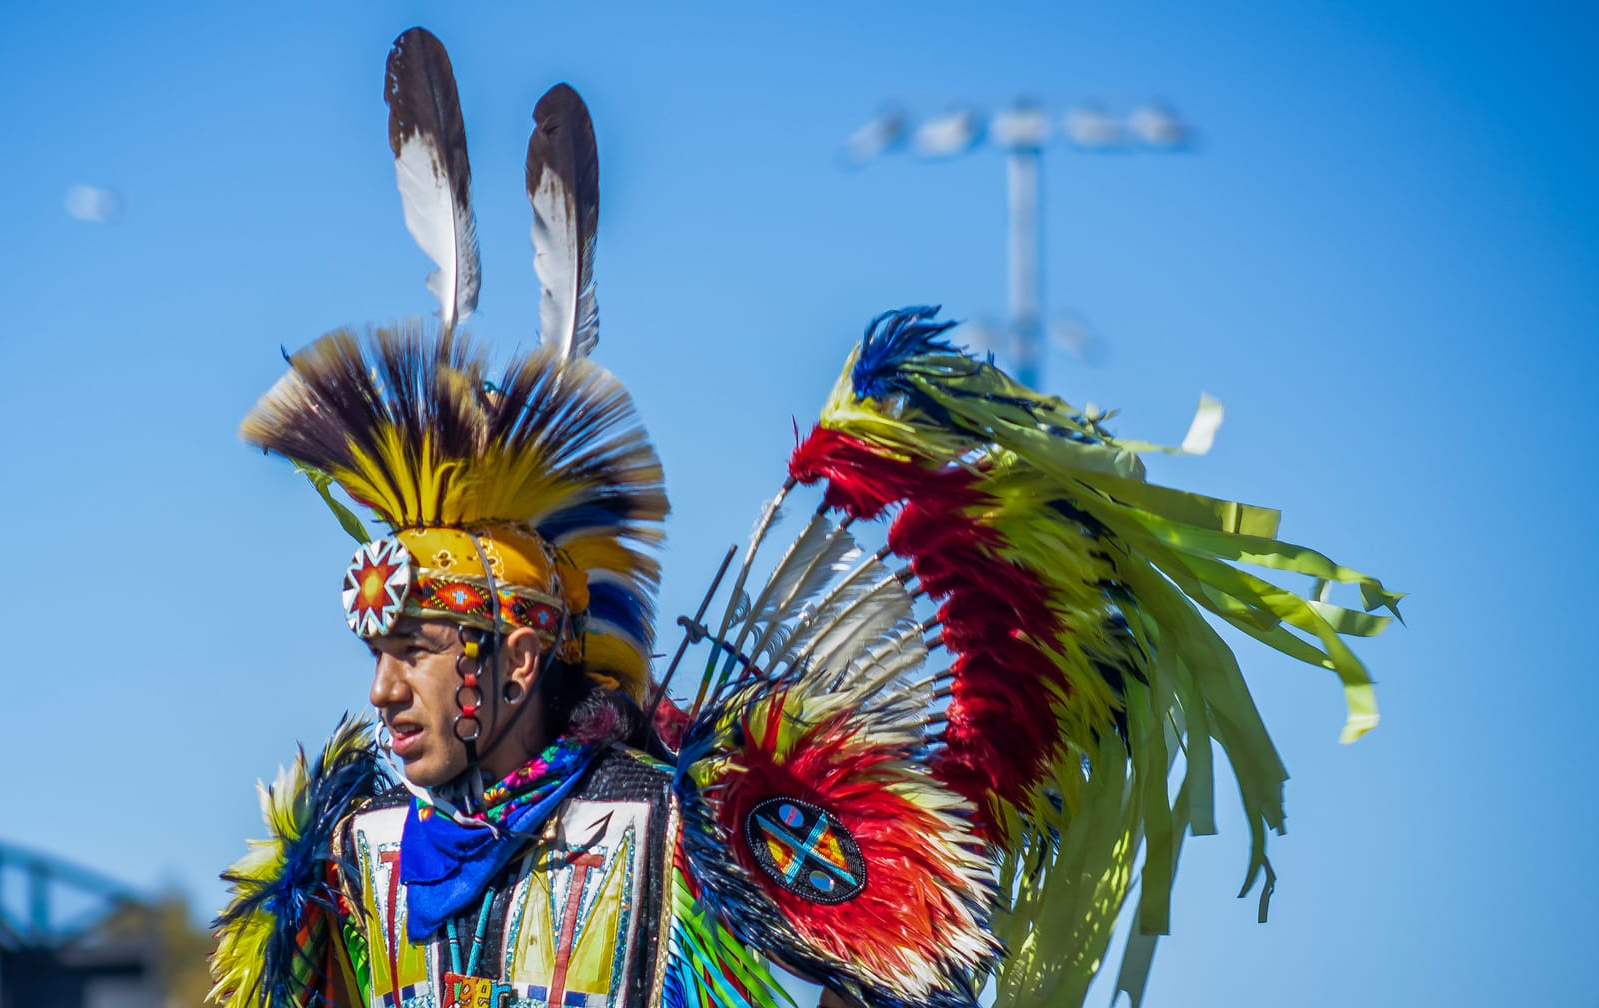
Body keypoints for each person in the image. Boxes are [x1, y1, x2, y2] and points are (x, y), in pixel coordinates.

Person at [210, 27, 1401, 1008]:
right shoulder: (346, 866)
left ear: (519, 654)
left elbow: (908, 964)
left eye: (413, 650)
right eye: (378, 652)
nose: (379, 691)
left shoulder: (673, 830)